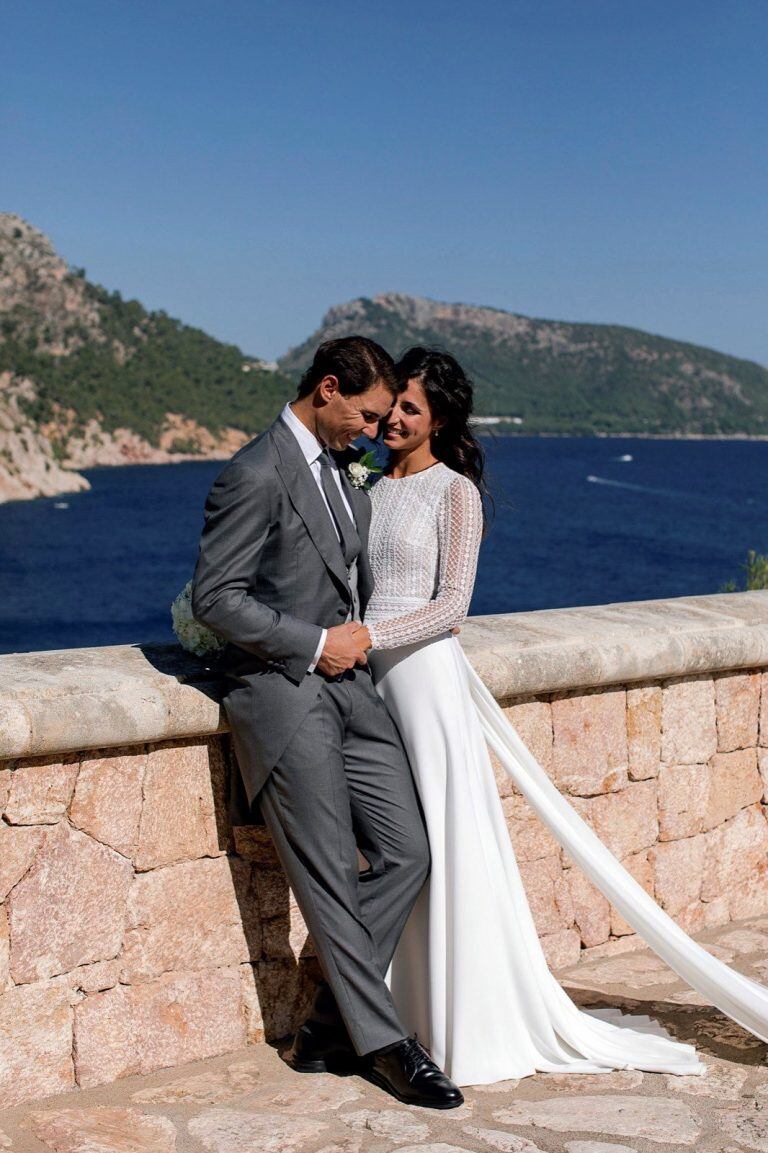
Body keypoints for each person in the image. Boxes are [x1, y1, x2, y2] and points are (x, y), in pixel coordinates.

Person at [359, 346, 768, 1086]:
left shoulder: (454, 492)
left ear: (439, 419)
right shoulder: (368, 483)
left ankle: (462, 1017)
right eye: (392, 405)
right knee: (396, 844)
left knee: (443, 846)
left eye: (410, 409)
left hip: (422, 681)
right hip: (369, 683)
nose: (393, 418)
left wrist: (370, 635)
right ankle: (394, 1008)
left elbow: (453, 605)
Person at [191, 336, 464, 1109]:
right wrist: (314, 643)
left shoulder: (347, 477)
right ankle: (384, 1042)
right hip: (283, 696)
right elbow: (217, 596)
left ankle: (324, 1025)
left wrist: (354, 645)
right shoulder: (253, 471)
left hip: (355, 694)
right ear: (329, 389)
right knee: (330, 882)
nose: (376, 431)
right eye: (369, 415)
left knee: (410, 852)